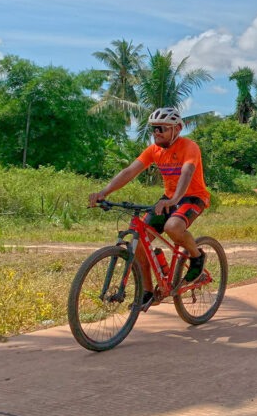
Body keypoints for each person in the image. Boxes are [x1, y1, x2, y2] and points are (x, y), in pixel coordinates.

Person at [88, 107, 210, 308]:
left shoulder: (189, 147)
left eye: (162, 128)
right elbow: (129, 171)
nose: (157, 132)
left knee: (173, 227)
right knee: (138, 239)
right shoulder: (154, 150)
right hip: (168, 199)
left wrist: (174, 200)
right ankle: (148, 291)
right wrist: (104, 192)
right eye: (153, 128)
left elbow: (187, 173)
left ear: (177, 129)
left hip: (192, 197)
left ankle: (197, 257)